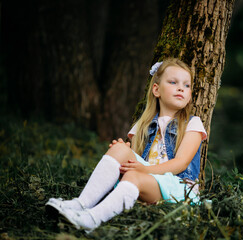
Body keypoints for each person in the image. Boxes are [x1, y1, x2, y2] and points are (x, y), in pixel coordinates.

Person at [45, 58, 207, 233]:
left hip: (179, 188)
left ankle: (91, 219)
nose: (181, 88)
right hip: (150, 181)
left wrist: (144, 170)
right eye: (173, 82)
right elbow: (132, 162)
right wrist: (122, 151)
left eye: (187, 85)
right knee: (120, 149)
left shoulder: (192, 123)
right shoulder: (143, 125)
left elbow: (181, 164)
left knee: (134, 176)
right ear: (156, 89)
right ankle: (80, 205)